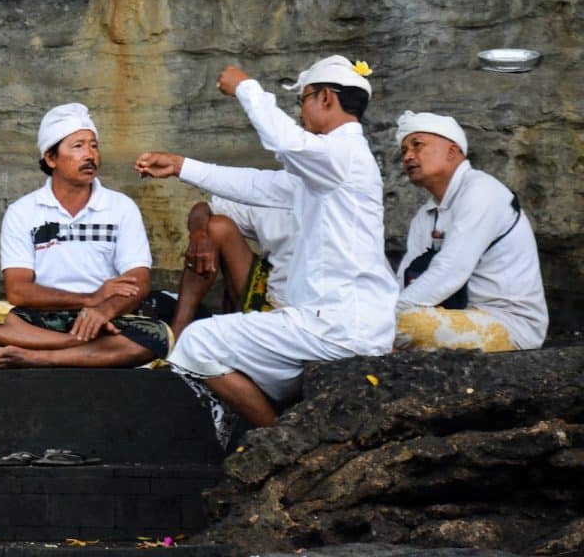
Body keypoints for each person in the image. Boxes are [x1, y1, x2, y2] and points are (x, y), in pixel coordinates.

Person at [134, 56, 396, 435]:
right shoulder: (329, 166)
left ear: (325, 98)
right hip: (337, 324)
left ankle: (284, 442)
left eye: (302, 100)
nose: (301, 112)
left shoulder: (343, 155)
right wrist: (180, 166)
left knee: (198, 344)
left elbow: (284, 141)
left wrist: (245, 86)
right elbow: (258, 186)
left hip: (339, 328)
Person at [0, 103, 173, 368]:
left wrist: (102, 310)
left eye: (94, 146)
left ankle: (37, 356)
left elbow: (139, 281)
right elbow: (18, 291)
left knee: (160, 335)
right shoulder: (23, 212)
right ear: (51, 158)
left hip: (104, 320)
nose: (90, 155)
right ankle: (81, 348)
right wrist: (89, 298)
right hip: (39, 320)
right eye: (78, 146)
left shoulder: (121, 207)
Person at [393, 111, 547, 351]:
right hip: (459, 315)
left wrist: (387, 317)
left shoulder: (482, 192)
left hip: (509, 323)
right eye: (404, 151)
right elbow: (405, 277)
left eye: (417, 145)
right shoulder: (424, 215)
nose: (408, 156)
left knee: (408, 324)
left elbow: (451, 270)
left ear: (452, 152)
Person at [169, 196, 296, 335]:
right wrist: (198, 236)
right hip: (271, 292)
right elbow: (203, 209)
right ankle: (178, 331)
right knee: (218, 227)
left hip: (309, 313)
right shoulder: (282, 198)